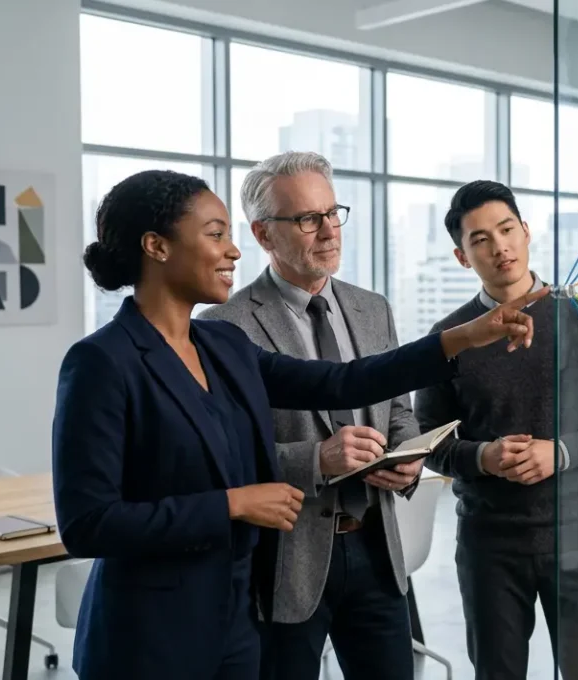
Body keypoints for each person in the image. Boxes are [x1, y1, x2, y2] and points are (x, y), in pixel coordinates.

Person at [52, 169, 548, 680]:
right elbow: (87, 525)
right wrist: (236, 503)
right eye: (216, 234)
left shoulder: (223, 348)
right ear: (156, 246)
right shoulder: (101, 362)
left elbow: (343, 382)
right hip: (150, 636)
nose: (234, 251)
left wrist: (463, 337)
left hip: (234, 625)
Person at [198, 151, 423, 680]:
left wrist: (407, 458)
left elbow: (398, 412)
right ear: (262, 234)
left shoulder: (374, 308)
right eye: (306, 219)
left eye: (332, 213)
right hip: (286, 561)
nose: (328, 231)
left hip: (377, 545)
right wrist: (315, 460)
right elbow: (222, 457)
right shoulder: (223, 326)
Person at [414, 180, 578, 679]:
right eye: (480, 239)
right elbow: (428, 438)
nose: (499, 247)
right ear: (461, 256)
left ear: (526, 232)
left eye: (506, 229)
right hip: (489, 544)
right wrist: (482, 458)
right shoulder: (448, 338)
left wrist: (559, 452)